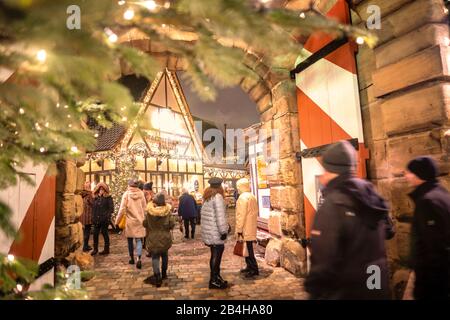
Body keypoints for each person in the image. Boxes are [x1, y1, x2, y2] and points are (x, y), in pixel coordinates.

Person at [304, 140, 395, 300]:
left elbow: (324, 260)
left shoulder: (333, 205)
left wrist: (314, 290)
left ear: (332, 170)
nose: (323, 174)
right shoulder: (371, 194)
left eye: (325, 169)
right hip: (376, 284)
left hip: (348, 290)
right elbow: (389, 231)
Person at [405, 156, 450, 300]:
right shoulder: (442, 194)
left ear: (420, 174)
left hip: (433, 280)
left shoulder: (427, 201)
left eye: (409, 172)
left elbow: (433, 245)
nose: (406, 175)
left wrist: (424, 281)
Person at [201, 177, 229, 289]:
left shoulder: (208, 196)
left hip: (210, 231)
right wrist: (223, 231)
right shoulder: (217, 197)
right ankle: (213, 280)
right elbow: (220, 216)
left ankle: (216, 277)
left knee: (214, 254)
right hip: (215, 232)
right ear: (220, 186)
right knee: (217, 255)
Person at [143, 192, 176, 287]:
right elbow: (171, 224)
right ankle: (164, 273)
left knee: (155, 257)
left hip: (153, 238)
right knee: (164, 255)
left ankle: (157, 276)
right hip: (165, 238)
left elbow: (145, 224)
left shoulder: (149, 213)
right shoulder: (167, 212)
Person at [115, 178, 147, 269]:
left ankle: (132, 258)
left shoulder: (126, 194)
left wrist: (117, 221)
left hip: (130, 221)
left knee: (129, 241)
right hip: (140, 221)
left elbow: (122, 210)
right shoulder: (141, 194)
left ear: (129, 185)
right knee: (139, 240)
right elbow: (145, 208)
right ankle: (139, 258)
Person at [235, 178, 259, 278]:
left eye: (238, 187)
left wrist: (239, 229)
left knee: (248, 249)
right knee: (248, 248)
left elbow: (241, 215)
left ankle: (253, 268)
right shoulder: (252, 196)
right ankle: (249, 266)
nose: (237, 189)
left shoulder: (242, 198)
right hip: (251, 226)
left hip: (245, 227)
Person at [91, 182, 114, 256]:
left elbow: (111, 209)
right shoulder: (95, 198)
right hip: (96, 219)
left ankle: (106, 249)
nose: (101, 190)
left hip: (104, 220)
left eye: (102, 189)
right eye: (100, 189)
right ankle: (95, 249)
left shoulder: (108, 197)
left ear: (105, 190)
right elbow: (94, 208)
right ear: (98, 190)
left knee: (105, 233)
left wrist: (107, 216)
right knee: (95, 234)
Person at [80, 181, 93, 252]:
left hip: (83, 215)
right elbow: (92, 203)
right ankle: (85, 246)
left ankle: (85, 245)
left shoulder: (81, 194)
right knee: (87, 231)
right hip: (88, 216)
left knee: (85, 231)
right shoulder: (90, 194)